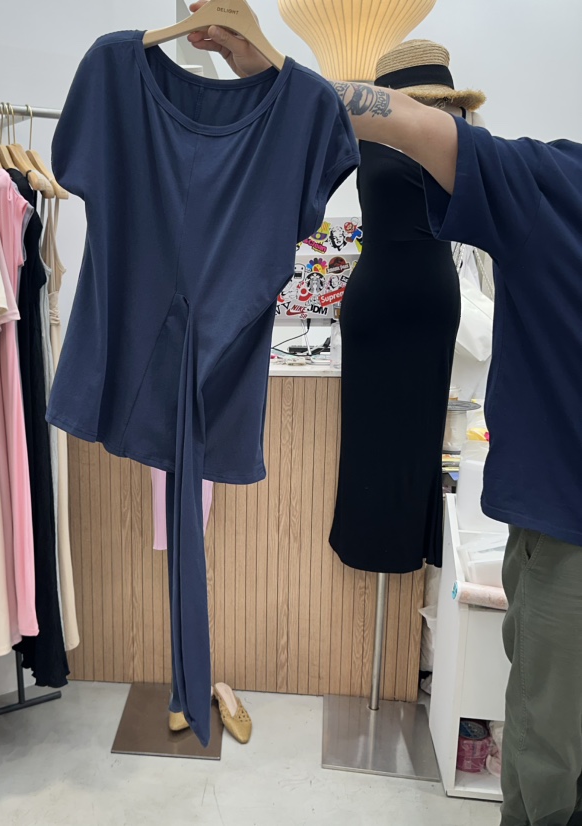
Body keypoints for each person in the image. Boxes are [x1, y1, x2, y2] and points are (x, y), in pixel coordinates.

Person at [187, 3, 582, 825]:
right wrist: (270, 76)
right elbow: (345, 139)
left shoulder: (510, 171)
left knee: (548, 731)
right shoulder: (545, 179)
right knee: (544, 724)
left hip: (432, 312)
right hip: (387, 317)